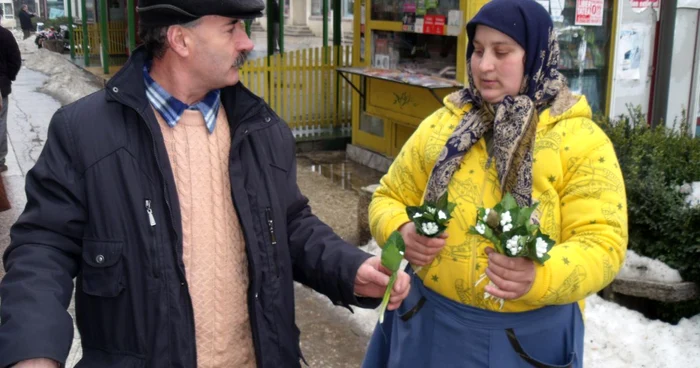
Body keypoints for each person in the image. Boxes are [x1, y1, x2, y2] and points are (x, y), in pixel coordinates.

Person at [0, 1, 411, 367]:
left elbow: (290, 224)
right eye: (233, 28)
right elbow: (43, 247)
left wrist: (350, 268)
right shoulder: (84, 132)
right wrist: (33, 349)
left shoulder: (262, 129)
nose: (247, 43)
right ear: (181, 39)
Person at [362, 0, 628, 367]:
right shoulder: (444, 125)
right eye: (478, 50)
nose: (484, 65)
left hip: (528, 341)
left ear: (534, 55)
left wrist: (540, 274)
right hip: (428, 323)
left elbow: (603, 244)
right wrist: (401, 230)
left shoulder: (580, 141)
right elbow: (388, 196)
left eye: (502, 52)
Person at [0, 21, 21, 173]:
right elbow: (15, 60)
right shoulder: (5, 35)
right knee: (0, 122)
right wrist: (8, 77)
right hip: (1, 87)